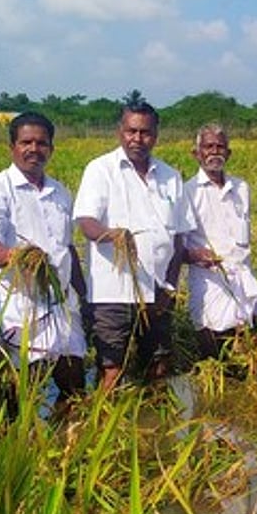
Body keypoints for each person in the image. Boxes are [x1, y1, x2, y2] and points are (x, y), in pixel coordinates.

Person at [0, 112, 87, 416]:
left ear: (51, 148)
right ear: (12, 146)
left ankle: (68, 444)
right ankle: (21, 446)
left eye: (41, 143)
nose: (34, 149)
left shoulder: (60, 192)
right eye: (26, 142)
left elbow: (66, 248)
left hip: (60, 303)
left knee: (74, 381)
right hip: (18, 305)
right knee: (24, 387)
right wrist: (21, 258)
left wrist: (83, 297)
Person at [73, 102, 194, 387]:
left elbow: (178, 238)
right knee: (112, 371)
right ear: (120, 132)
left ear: (156, 135)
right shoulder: (100, 170)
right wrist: (113, 236)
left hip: (157, 291)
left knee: (159, 366)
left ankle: (152, 426)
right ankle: (103, 427)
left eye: (145, 133)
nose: (137, 139)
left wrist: (170, 287)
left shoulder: (170, 176)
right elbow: (86, 222)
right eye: (131, 131)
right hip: (112, 292)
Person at [182, 123, 257, 359]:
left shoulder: (241, 188)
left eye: (220, 147)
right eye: (208, 146)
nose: (214, 152)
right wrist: (195, 255)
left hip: (242, 279)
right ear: (196, 153)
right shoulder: (187, 192)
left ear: (228, 153)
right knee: (214, 352)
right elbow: (178, 246)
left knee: (248, 350)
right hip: (209, 282)